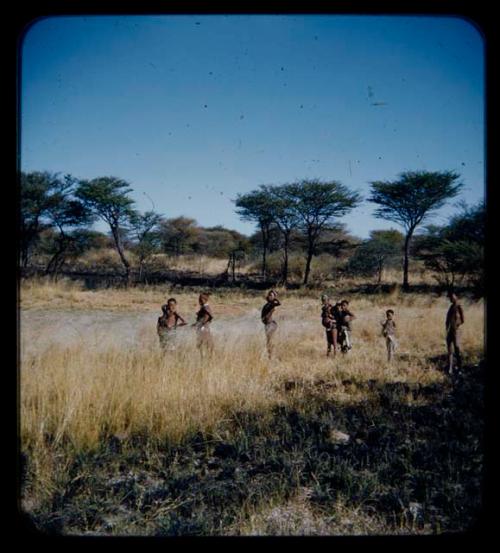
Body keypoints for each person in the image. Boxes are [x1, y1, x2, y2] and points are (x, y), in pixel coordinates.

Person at [446, 290, 464, 375]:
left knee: (457, 348)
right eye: (449, 297)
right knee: (450, 350)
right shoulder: (451, 307)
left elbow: (463, 320)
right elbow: (447, 319)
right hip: (450, 331)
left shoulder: (459, 306)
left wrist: (456, 325)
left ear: (455, 296)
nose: (450, 299)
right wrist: (447, 328)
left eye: (451, 297)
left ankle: (460, 367)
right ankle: (450, 369)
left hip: (456, 331)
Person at [193, 292, 214, 357]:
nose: (199, 300)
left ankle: (204, 358)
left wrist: (198, 324)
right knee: (204, 344)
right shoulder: (204, 307)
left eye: (200, 299)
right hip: (204, 327)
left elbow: (207, 317)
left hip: (203, 328)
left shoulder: (206, 307)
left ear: (204, 300)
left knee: (202, 344)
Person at [261, 290, 281, 358]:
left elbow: (279, 303)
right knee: (268, 341)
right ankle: (270, 355)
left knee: (269, 341)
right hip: (267, 324)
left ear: (274, 297)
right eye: (269, 295)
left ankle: (271, 356)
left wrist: (275, 298)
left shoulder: (273, 304)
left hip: (270, 325)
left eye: (271, 295)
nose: (269, 296)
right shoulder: (268, 303)